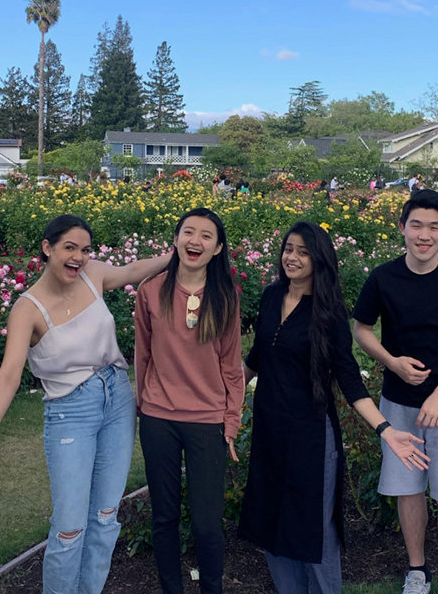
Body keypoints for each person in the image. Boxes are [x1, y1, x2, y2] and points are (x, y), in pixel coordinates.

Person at [0, 214, 168, 594]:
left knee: (106, 516)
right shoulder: (27, 310)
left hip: (117, 400)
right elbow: (10, 374)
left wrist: (179, 254)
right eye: (69, 248)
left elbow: (133, 269)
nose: (78, 257)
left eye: (84, 249)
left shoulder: (93, 275)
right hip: (71, 411)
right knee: (69, 527)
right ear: (47, 249)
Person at [240, 221, 428, 594]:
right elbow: (256, 359)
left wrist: (386, 430)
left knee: (314, 529)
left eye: (303, 252)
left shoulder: (328, 313)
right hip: (269, 430)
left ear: (319, 260)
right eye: (288, 249)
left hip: (310, 434)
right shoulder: (271, 296)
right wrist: (224, 401)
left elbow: (350, 381)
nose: (292, 257)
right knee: (271, 521)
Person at [353, 191, 438, 594]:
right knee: (407, 492)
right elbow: (361, 330)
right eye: (416, 225)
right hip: (397, 406)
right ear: (402, 228)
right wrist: (391, 362)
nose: (424, 235)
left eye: (434, 227)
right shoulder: (383, 277)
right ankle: (417, 571)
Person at [134, 208, 244, 594]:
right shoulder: (151, 290)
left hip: (207, 421)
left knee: (206, 523)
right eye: (188, 232)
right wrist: (140, 408)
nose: (195, 241)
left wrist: (231, 423)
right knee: (163, 517)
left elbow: (232, 366)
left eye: (206, 236)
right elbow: (142, 354)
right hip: (158, 418)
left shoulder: (225, 296)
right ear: (177, 238)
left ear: (217, 249)